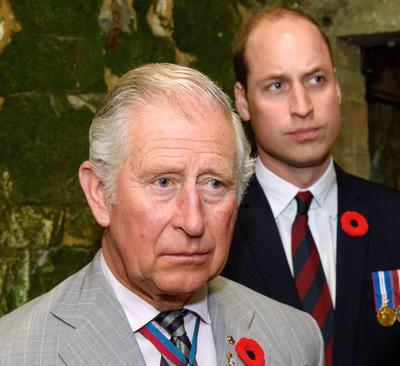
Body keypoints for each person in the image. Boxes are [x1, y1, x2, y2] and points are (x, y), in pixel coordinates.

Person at [0, 63, 323, 366]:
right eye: (164, 182)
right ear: (99, 193)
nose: (193, 222)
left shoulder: (294, 340)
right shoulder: (17, 352)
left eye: (214, 183)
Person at [222, 6, 400, 366]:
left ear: (338, 87)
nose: (302, 106)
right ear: (242, 101)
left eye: (316, 80)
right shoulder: (215, 224)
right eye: (277, 86)